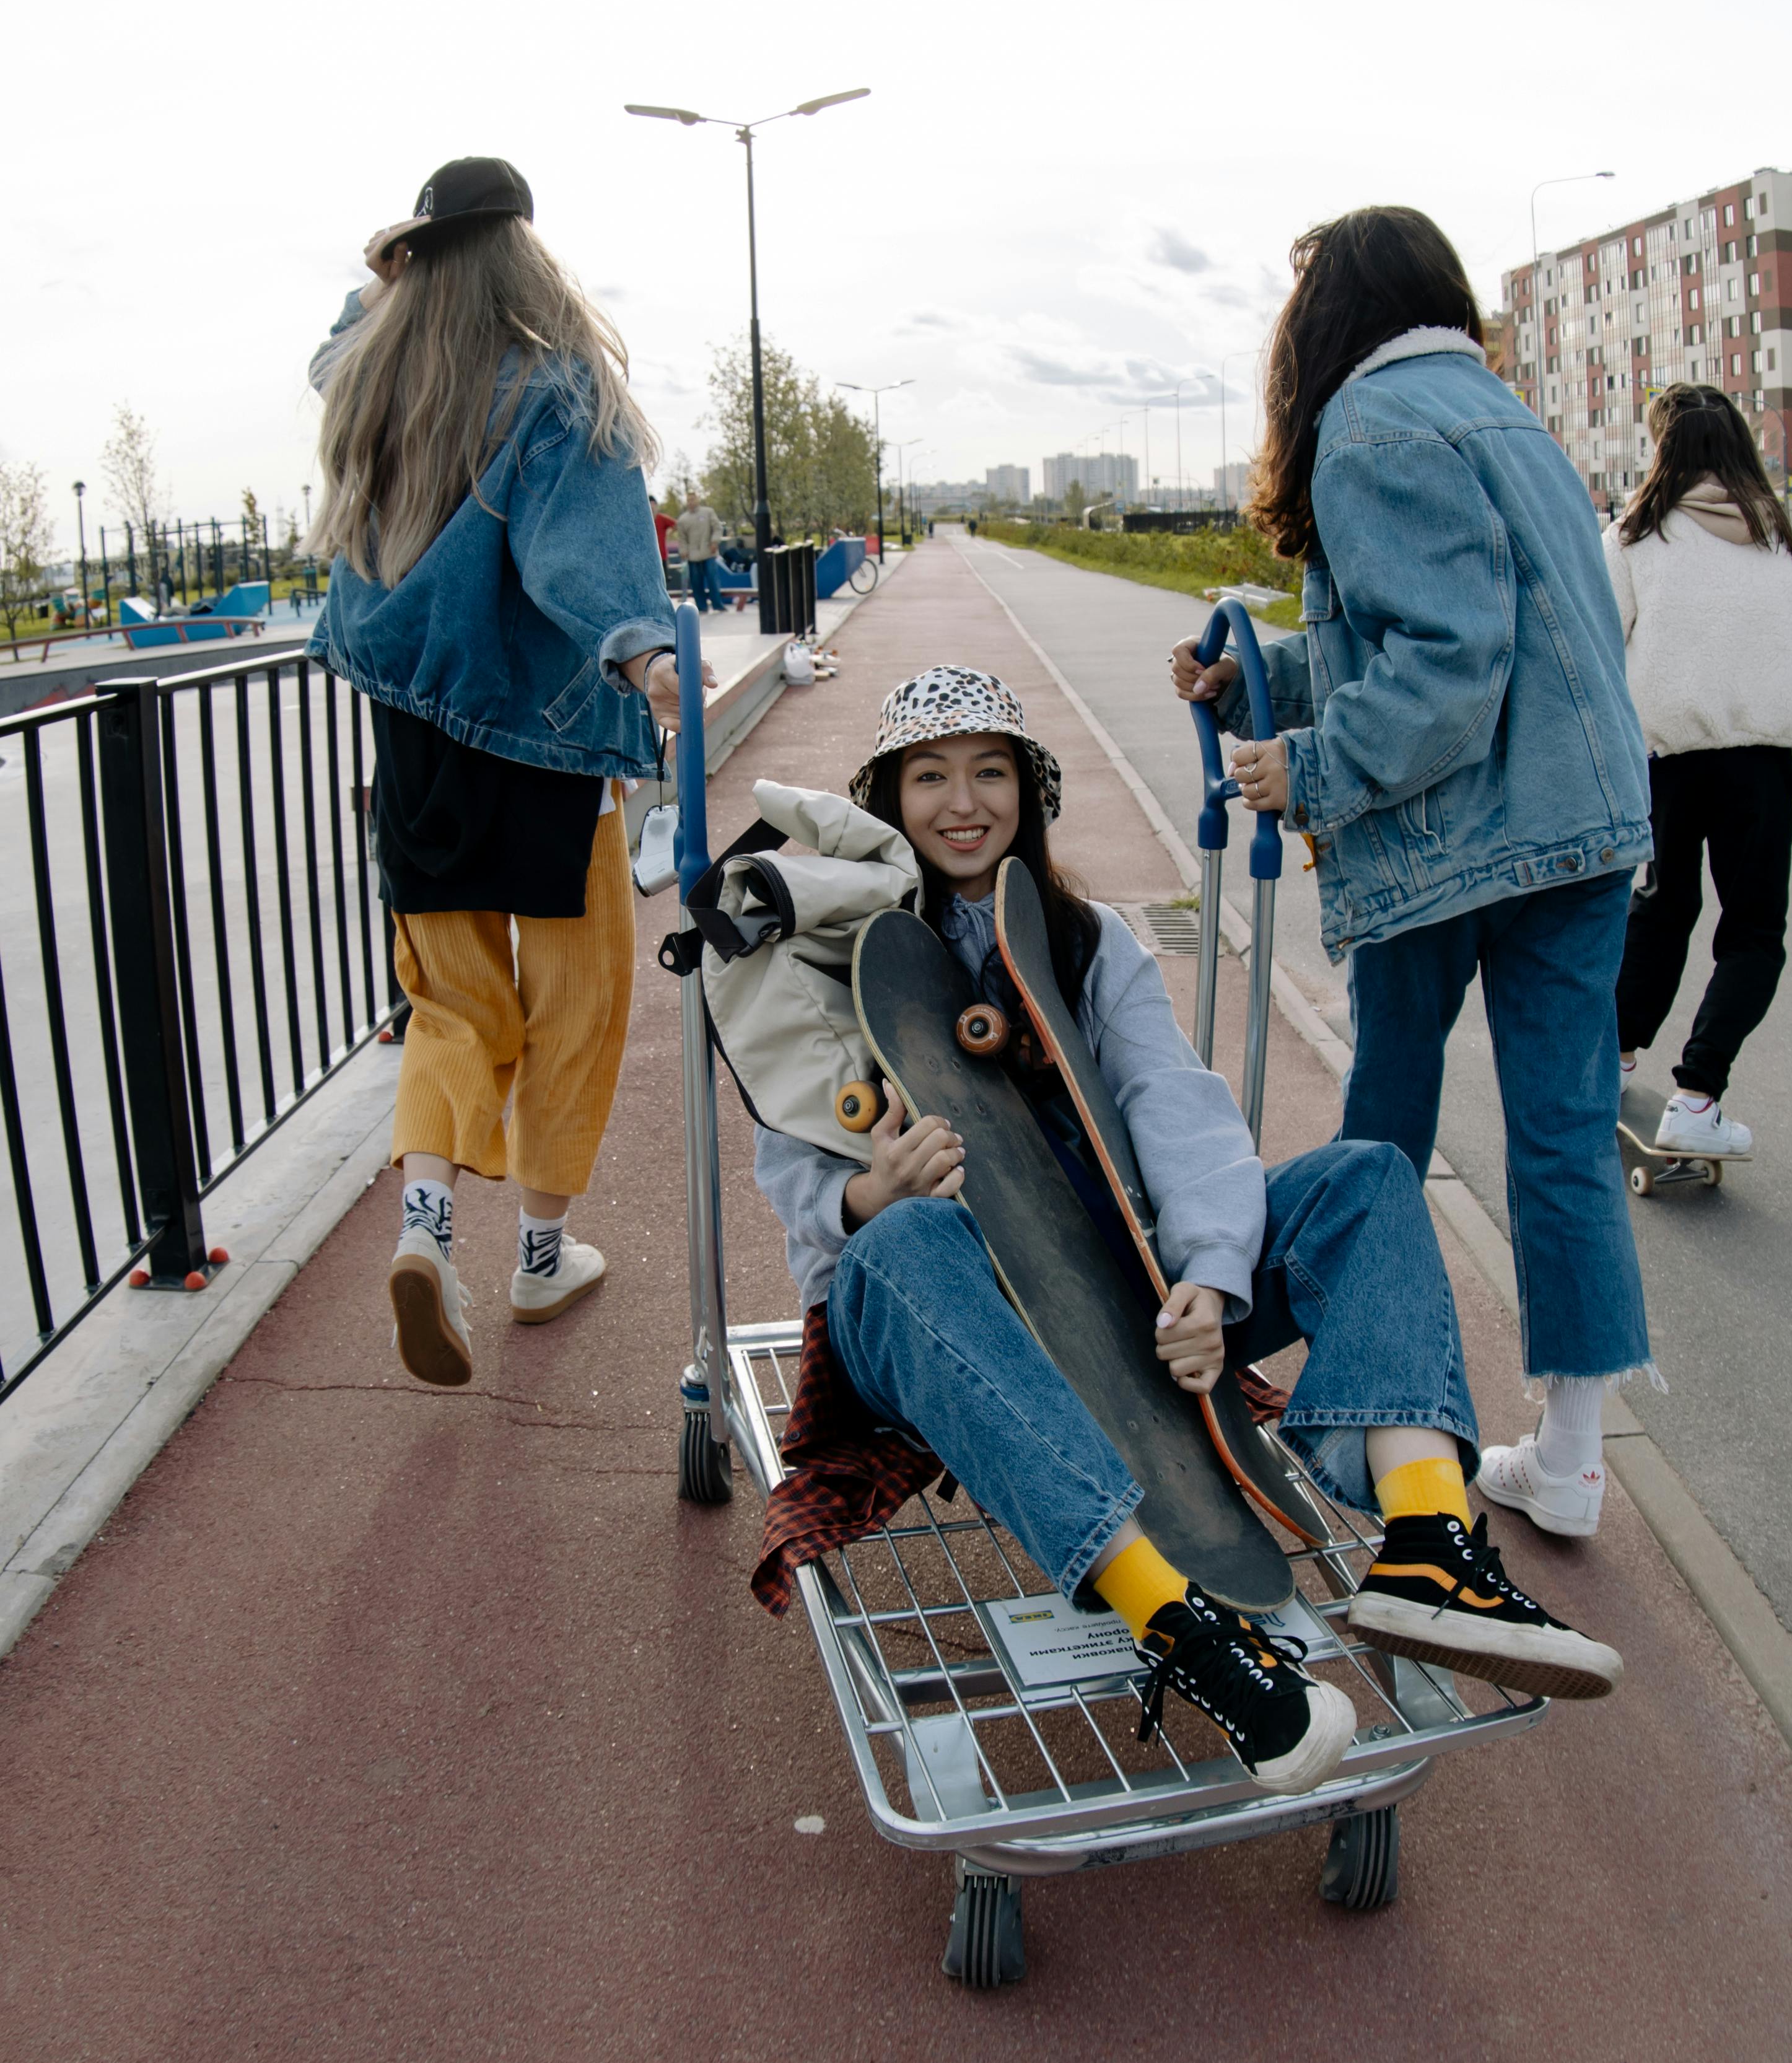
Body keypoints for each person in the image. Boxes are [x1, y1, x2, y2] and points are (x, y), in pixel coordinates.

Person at [750, 666, 1620, 1799]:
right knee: (899, 1247)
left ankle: (1427, 1547)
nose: (961, 803)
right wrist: (864, 1197)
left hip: (1122, 1286)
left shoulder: (1087, 940)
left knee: (1365, 1178)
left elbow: (1175, 1104)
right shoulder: (832, 949)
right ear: (886, 794)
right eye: (928, 778)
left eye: (988, 774)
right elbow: (796, 1171)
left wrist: (1208, 1278)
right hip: (939, 1305)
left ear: (1028, 791)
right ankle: (1185, 1633)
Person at [1172, 206, 1655, 1546]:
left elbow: (1443, 663)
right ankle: (1565, 1456)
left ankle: (1366, 1420)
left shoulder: (1367, 429)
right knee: (1561, 1138)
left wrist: (1308, 767)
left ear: (1326, 316)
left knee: (1382, 1127)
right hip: (1585, 823)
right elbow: (1475, 630)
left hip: (1451, 840)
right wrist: (1255, 674)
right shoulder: (1507, 419)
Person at [308, 154, 704, 1388]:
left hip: (414, 736)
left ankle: (427, 1223)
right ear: (528, 253)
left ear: (420, 256)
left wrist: (390, 275)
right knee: (576, 993)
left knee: (448, 995)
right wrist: (643, 653)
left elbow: (336, 340)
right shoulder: (554, 387)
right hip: (542, 740)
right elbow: (579, 553)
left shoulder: (369, 382)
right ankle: (540, 1250)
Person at [1609, 384, 1792, 1156]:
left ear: (1661, 449)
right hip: (1760, 763)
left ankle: (1611, 1060)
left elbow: (1603, 643)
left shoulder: (1633, 535)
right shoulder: (1777, 538)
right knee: (1754, 934)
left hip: (1668, 758)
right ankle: (1697, 1098)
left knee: (1661, 913)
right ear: (1737, 447)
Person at [675, 488, 725, 612]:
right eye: (688, 500)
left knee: (713, 580)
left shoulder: (708, 512)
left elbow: (717, 528)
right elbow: (682, 539)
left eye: (693, 499)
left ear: (698, 499)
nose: (691, 502)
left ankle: (718, 605)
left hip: (709, 553)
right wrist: (683, 551)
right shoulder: (683, 519)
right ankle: (702, 607)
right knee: (696, 583)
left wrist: (715, 542)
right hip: (693, 556)